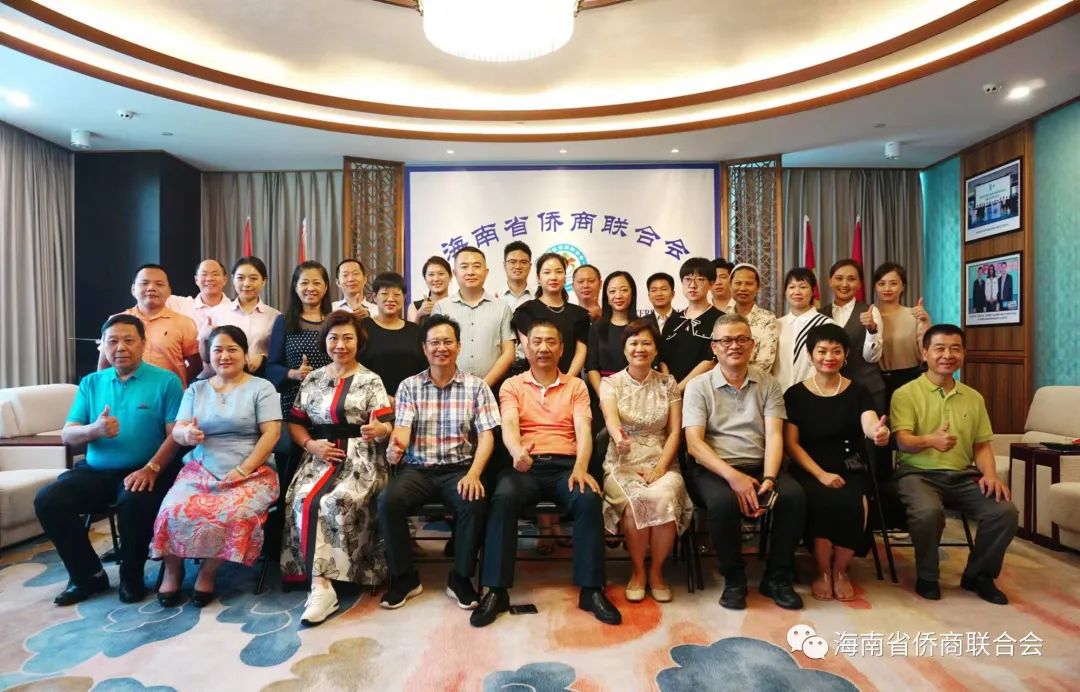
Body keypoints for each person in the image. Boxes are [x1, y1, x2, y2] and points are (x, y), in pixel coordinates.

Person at [471, 321, 621, 628]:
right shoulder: (512, 385)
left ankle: (592, 590)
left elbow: (583, 429)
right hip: (525, 465)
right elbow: (509, 424)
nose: (543, 348)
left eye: (551, 342)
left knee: (588, 498)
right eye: (536, 342)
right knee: (502, 498)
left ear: (561, 349)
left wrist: (581, 466)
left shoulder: (576, 386)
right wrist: (516, 451)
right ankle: (496, 590)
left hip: (567, 465)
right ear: (526, 348)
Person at [37, 314, 183, 605]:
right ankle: (87, 575)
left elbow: (175, 436)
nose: (120, 347)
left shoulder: (166, 381)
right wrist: (95, 430)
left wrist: (151, 468)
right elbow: (69, 434)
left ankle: (131, 576)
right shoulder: (91, 383)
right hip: (97, 471)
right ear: (103, 346)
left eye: (129, 340)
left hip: (148, 469)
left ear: (143, 343)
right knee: (48, 500)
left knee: (134, 501)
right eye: (113, 341)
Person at [150, 326, 282, 607]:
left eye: (232, 349)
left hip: (252, 470)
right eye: (218, 350)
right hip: (200, 468)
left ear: (245, 354)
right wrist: (186, 434)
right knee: (171, 509)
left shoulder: (262, 388)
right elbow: (178, 430)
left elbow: (272, 434)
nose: (225, 356)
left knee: (234, 513)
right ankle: (173, 570)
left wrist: (245, 469)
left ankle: (208, 572)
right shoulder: (196, 389)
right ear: (208, 356)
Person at [376, 315, 501, 610]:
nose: (441, 348)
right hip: (418, 469)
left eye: (447, 342)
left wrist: (474, 474)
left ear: (458, 346)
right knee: (388, 500)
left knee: (474, 500)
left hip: (459, 469)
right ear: (424, 348)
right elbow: (402, 429)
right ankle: (405, 577)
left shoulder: (477, 387)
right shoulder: (409, 386)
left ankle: (460, 578)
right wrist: (396, 446)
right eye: (434, 342)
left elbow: (487, 436)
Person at [683, 313, 806, 611]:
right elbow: (695, 445)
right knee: (723, 503)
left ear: (752, 345)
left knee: (794, 498)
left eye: (741, 339)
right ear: (714, 347)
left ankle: (776, 577)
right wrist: (733, 477)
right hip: (714, 468)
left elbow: (774, 435)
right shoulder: (698, 386)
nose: (734, 346)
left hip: (760, 466)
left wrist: (769, 479)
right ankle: (734, 578)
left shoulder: (768, 383)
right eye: (726, 340)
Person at [890, 324, 1018, 605]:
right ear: (925, 353)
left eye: (955, 349)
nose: (947, 355)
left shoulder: (973, 397)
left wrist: (991, 475)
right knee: (928, 512)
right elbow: (902, 441)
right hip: (917, 474)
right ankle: (927, 576)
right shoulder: (905, 394)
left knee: (1004, 511)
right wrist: (930, 440)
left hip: (962, 475)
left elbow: (981, 445)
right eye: (940, 348)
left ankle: (978, 575)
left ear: (963, 354)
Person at [281, 311, 394, 626]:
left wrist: (379, 431)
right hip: (319, 456)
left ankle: (327, 582)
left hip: (362, 458)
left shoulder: (371, 379)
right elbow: (296, 423)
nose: (340, 345)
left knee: (337, 500)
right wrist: (310, 445)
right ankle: (322, 585)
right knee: (302, 497)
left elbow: (386, 425)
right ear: (325, 341)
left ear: (359, 342)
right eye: (334, 338)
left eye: (348, 338)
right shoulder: (313, 379)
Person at [783, 324, 890, 601]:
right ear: (810, 355)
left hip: (850, 464)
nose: (828, 357)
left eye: (836, 351)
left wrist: (877, 433)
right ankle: (822, 570)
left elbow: (869, 422)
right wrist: (820, 474)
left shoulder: (859, 391)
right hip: (810, 467)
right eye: (821, 351)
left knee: (854, 501)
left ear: (846, 355)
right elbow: (791, 444)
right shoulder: (795, 394)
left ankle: (841, 570)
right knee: (821, 500)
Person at [599, 320, 691, 604]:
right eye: (634, 343)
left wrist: (660, 468)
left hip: (662, 462)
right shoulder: (610, 383)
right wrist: (620, 439)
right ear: (624, 349)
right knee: (635, 503)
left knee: (663, 497)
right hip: (622, 463)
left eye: (646, 343)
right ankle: (638, 571)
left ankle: (657, 572)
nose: (640, 348)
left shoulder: (668, 383)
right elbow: (611, 420)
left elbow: (675, 431)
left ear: (656, 349)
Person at [99, 264, 201, 387]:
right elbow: (104, 366)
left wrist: (175, 383)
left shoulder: (184, 323)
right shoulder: (115, 322)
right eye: (144, 283)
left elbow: (196, 366)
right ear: (133, 289)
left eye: (159, 284)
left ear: (169, 291)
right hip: (125, 392)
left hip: (168, 394)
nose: (151, 288)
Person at [433, 246, 516, 389]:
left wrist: (483, 386)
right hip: (450, 388)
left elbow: (509, 352)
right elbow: (434, 349)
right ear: (454, 273)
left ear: (486, 272)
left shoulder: (502, 307)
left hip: (492, 389)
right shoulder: (441, 307)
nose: (470, 272)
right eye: (464, 267)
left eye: (477, 266)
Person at [267, 261, 334, 417]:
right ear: (295, 287)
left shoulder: (335, 322)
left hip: (331, 399)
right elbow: (271, 367)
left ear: (325, 287)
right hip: (294, 400)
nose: (310, 288)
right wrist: (294, 374)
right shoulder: (283, 322)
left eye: (316, 283)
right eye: (304, 283)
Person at [821, 259, 885, 413]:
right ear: (830, 281)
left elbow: (872, 358)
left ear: (859, 284)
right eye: (839, 278)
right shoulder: (819, 314)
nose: (844, 284)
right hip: (831, 390)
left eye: (851, 279)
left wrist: (872, 330)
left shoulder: (871, 311)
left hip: (867, 389)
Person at [512, 252, 589, 378]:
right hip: (535, 382)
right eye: (547, 272)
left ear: (565, 277)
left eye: (559, 272)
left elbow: (581, 352)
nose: (553, 277)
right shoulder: (525, 311)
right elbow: (530, 353)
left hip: (571, 382)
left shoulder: (579, 314)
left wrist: (566, 381)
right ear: (538, 278)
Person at [873, 262, 932, 416]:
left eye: (893, 283)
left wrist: (925, 322)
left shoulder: (914, 315)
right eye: (881, 284)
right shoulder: (870, 316)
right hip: (876, 383)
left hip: (910, 379)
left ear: (903, 286)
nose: (887, 288)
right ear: (875, 287)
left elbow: (926, 352)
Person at [207, 256, 281, 376]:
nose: (246, 284)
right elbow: (206, 354)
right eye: (240, 278)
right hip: (224, 375)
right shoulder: (217, 313)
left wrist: (262, 357)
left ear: (264, 281)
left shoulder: (275, 316)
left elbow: (279, 354)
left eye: (253, 278)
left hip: (260, 375)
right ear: (233, 279)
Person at [659, 257, 722, 392]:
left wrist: (678, 389)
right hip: (670, 393)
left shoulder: (720, 319)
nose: (692, 285)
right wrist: (667, 386)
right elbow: (662, 359)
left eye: (700, 279)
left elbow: (711, 361)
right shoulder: (673, 320)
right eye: (687, 279)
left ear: (711, 284)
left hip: (705, 391)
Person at [361, 272, 427, 400]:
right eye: (385, 294)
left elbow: (424, 370)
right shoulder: (362, 328)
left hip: (411, 402)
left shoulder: (416, 331)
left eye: (397, 294)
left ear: (404, 297)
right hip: (372, 402)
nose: (391, 299)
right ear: (374, 297)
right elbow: (356, 369)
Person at [772, 268, 834, 391]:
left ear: (813, 291)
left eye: (803, 287)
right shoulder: (776, 325)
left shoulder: (826, 324)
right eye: (792, 287)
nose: (797, 292)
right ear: (785, 292)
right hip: (778, 394)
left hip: (814, 392)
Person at [586, 271, 639, 393]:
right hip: (605, 390)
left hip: (637, 391)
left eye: (624, 290)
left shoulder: (642, 327)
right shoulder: (597, 328)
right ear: (607, 297)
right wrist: (604, 397)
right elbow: (592, 368)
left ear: (632, 294)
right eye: (612, 291)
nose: (618, 296)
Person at [729, 263, 779, 374]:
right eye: (738, 283)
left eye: (749, 284)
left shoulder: (767, 319)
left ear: (758, 288)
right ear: (730, 286)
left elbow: (765, 362)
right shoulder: (722, 317)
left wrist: (738, 379)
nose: (743, 288)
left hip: (756, 382)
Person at [166, 258, 228, 334]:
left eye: (215, 274)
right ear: (196, 280)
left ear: (225, 279)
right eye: (204, 274)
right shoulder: (181, 305)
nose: (209, 279)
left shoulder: (234, 309)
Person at [407, 256, 452, 324]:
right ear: (425, 279)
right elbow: (410, 330)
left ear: (450, 276)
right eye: (431, 274)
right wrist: (419, 315)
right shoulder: (415, 306)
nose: (436, 279)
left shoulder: (457, 304)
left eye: (441, 274)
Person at [500, 240, 533, 312]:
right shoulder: (495, 297)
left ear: (530, 266)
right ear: (504, 265)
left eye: (523, 262)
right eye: (512, 262)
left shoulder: (538, 297)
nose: (518, 266)